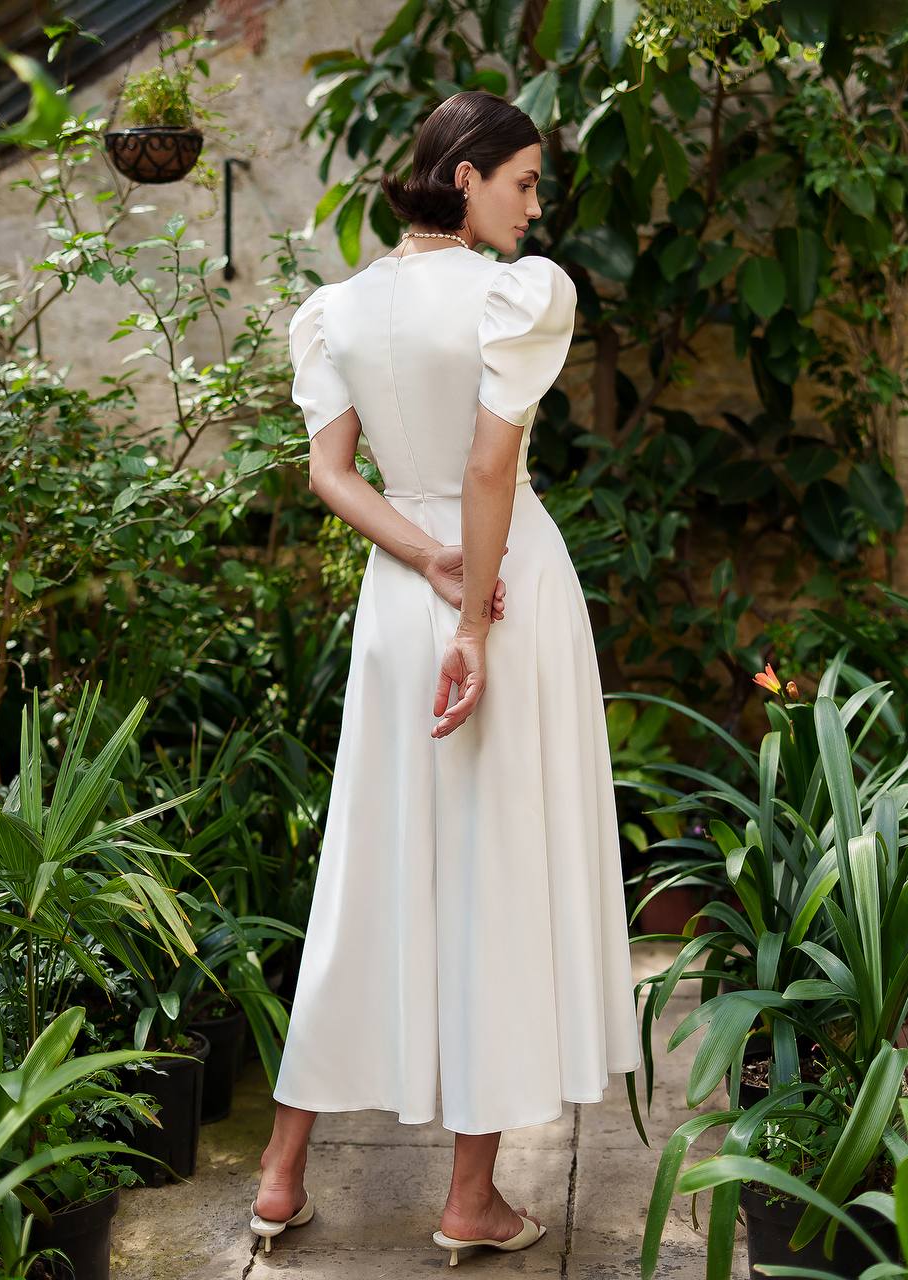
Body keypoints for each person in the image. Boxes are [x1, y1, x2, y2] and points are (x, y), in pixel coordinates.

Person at [250, 89, 642, 1266]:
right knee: (495, 870)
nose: (536, 204)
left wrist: (419, 560)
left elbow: (331, 472)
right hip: (499, 599)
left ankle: (278, 1172)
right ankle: (469, 1197)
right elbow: (488, 465)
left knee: (366, 865)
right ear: (462, 175)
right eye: (522, 179)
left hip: (396, 595)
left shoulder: (339, 309)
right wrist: (471, 612)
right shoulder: (522, 294)